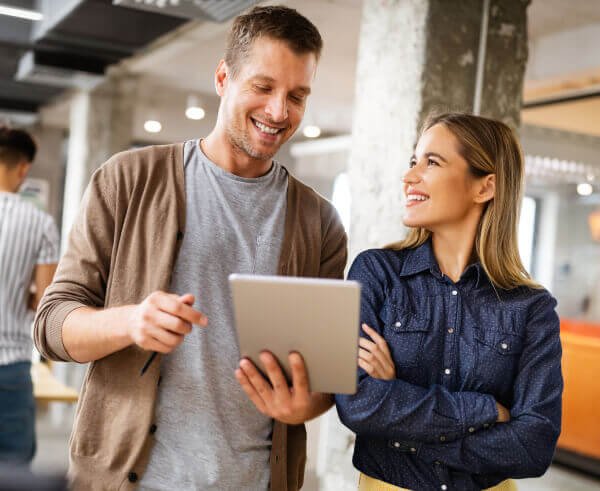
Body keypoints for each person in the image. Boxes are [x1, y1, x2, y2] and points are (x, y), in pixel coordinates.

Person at [33, 5, 347, 491]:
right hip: (130, 479)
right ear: (223, 77)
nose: (279, 111)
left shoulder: (320, 222)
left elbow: (321, 385)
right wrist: (130, 320)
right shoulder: (128, 179)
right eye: (263, 87)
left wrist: (303, 404)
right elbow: (51, 325)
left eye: (297, 96)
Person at [336, 113, 562, 491]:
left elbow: (534, 444)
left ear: (485, 187)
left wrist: (401, 422)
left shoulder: (532, 308)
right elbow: (358, 404)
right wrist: (486, 411)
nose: (409, 177)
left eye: (432, 162)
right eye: (413, 161)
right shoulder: (377, 273)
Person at [0, 126, 59, 465]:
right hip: (10, 366)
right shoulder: (40, 223)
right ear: (23, 168)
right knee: (13, 471)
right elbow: (44, 301)